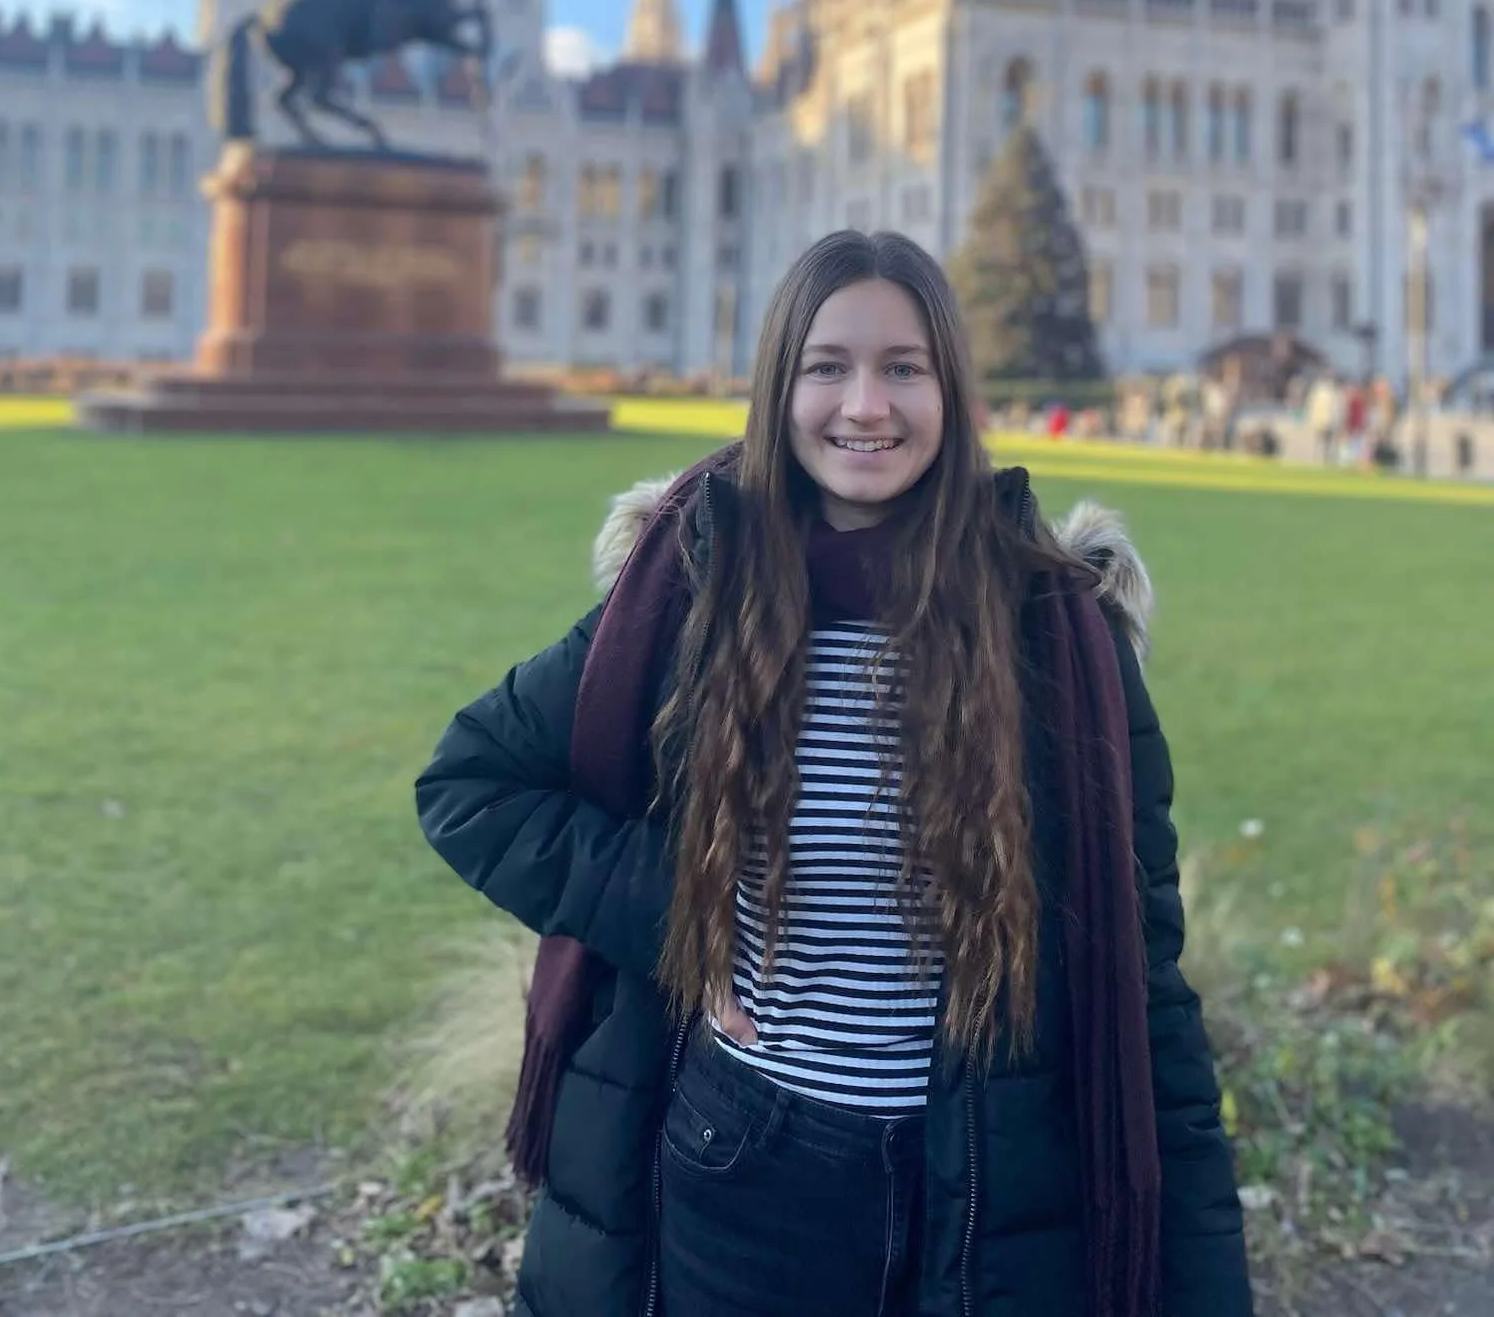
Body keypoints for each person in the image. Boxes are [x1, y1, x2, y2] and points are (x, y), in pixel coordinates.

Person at [416, 230, 1251, 1317]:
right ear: (779, 385)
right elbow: (471, 783)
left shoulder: (1052, 630)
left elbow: (1149, 986)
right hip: (749, 1168)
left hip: (989, 1184)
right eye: (828, 365)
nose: (868, 404)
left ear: (949, 386)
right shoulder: (697, 592)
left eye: (904, 366)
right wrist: (678, 911)